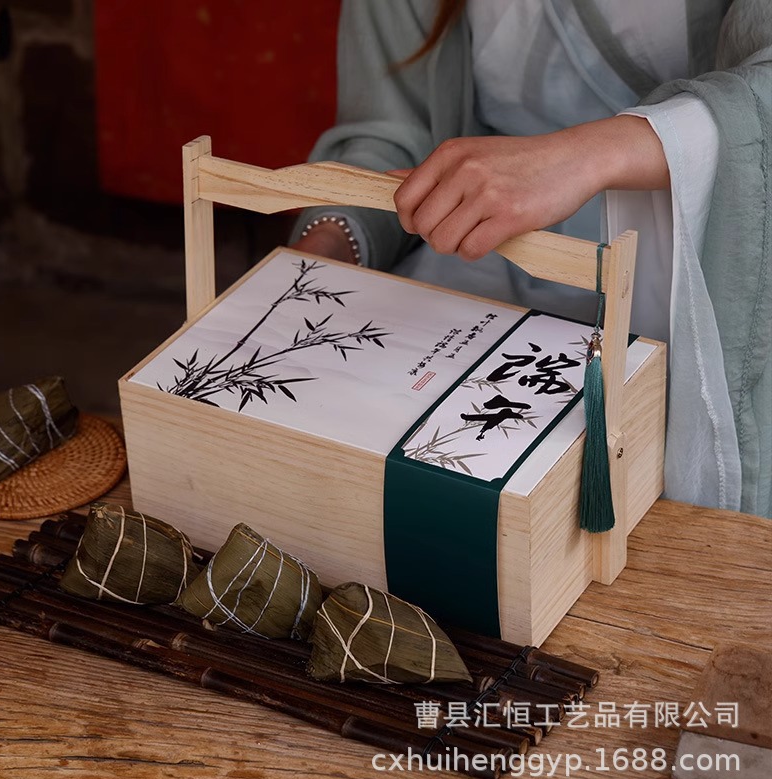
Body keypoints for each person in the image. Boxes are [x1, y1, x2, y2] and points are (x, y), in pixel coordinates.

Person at [290, 0, 771, 518]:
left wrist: (590, 154)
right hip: (473, 253)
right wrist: (325, 247)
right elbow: (392, 133)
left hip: (679, 267)